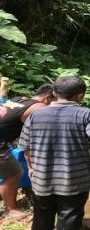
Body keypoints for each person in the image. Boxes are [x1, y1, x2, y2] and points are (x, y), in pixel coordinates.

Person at [19, 76, 90, 230]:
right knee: (70, 218)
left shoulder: (35, 115)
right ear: (80, 95)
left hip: (42, 178)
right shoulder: (85, 114)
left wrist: (31, 167)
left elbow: (26, 147)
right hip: (74, 181)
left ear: (54, 92)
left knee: (42, 216)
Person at [0, 84, 54, 219]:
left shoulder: (20, 99)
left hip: (3, 142)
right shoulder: (39, 108)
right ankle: (10, 210)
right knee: (13, 173)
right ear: (49, 97)